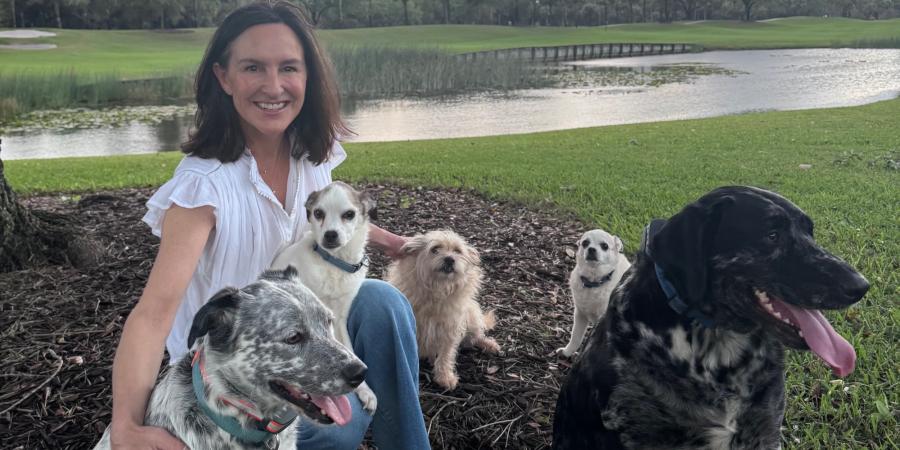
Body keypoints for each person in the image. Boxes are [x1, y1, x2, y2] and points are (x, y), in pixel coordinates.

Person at [107, 2, 430, 449]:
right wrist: (125, 427)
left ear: (308, 77)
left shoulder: (310, 155)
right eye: (253, 67)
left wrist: (392, 241)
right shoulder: (204, 188)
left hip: (305, 328)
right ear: (224, 77)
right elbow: (151, 316)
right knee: (343, 423)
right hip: (237, 378)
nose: (273, 86)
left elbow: (327, 226)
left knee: (384, 302)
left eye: (289, 68)